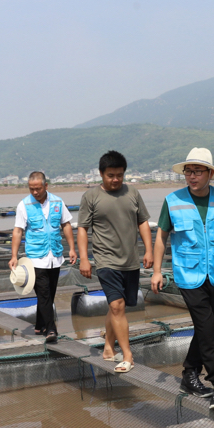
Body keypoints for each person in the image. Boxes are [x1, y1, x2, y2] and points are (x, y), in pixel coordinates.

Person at [150, 148, 214, 410]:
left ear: (209, 174)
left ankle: (189, 373)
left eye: (197, 171)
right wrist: (157, 271)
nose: (192, 176)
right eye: (188, 171)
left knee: (211, 329)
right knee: (206, 328)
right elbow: (161, 236)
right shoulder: (173, 200)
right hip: (188, 274)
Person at [78, 150, 153, 372]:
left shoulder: (133, 193)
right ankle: (128, 355)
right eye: (111, 175)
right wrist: (84, 258)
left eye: (119, 175)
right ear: (101, 174)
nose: (115, 179)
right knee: (116, 305)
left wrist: (148, 250)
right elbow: (82, 228)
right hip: (105, 259)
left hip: (130, 260)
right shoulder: (91, 197)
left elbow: (143, 222)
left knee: (119, 306)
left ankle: (109, 346)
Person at [10, 171, 76, 344]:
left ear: (46, 186)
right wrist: (14, 256)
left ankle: (39, 325)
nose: (35, 192)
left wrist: (72, 249)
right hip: (35, 257)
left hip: (54, 255)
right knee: (44, 293)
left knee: (50, 293)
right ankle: (51, 329)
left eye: (38, 189)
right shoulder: (24, 205)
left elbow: (66, 225)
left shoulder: (57, 202)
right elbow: (18, 231)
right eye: (31, 189)